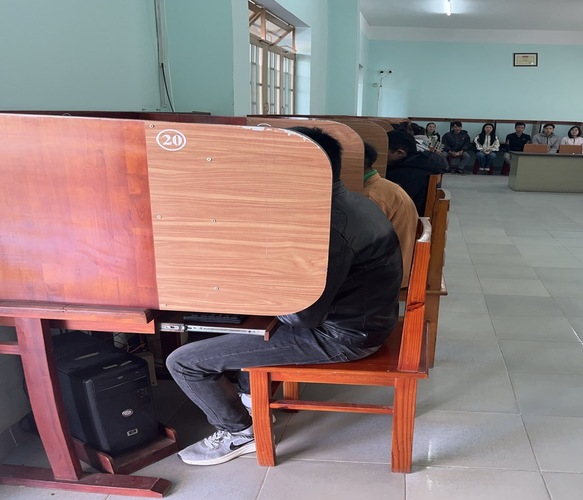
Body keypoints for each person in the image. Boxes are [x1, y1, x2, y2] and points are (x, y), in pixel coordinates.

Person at [167, 127, 403, 467]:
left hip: (343, 337)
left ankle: (240, 433)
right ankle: (253, 403)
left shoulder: (329, 226)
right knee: (230, 329)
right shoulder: (354, 202)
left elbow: (302, 317)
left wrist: (255, 290)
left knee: (184, 361)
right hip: (365, 321)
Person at [363, 142, 418, 287]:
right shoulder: (383, 186)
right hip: (399, 264)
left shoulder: (371, 196)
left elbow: (363, 247)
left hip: (390, 275)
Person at [385, 129, 448, 215]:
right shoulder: (421, 163)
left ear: (400, 153)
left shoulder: (403, 175)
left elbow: (386, 206)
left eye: (383, 150)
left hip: (406, 219)